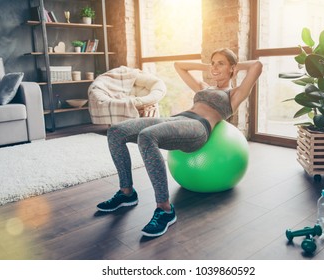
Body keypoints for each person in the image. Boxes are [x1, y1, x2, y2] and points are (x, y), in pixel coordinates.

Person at [96, 48, 263, 237]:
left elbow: (257, 66)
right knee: (116, 131)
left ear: (232, 68)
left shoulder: (234, 94)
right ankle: (126, 193)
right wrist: (213, 66)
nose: (215, 67)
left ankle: (165, 209)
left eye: (221, 63)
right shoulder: (203, 87)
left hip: (198, 127)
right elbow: (179, 66)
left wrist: (234, 67)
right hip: (179, 118)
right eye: (213, 62)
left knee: (147, 136)